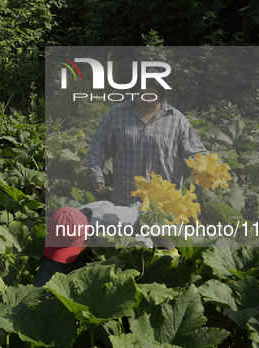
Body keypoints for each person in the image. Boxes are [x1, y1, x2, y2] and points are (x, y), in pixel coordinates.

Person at [87, 78, 208, 208]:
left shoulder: (177, 119)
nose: (148, 100)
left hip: (164, 204)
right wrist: (96, 172)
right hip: (126, 201)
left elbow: (193, 153)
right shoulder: (115, 115)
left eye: (152, 96)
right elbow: (99, 146)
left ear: (161, 94)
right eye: (141, 95)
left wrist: (209, 170)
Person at [33, 207, 93, 287]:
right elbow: (36, 291)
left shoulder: (105, 244)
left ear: (88, 239)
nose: (63, 260)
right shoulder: (62, 219)